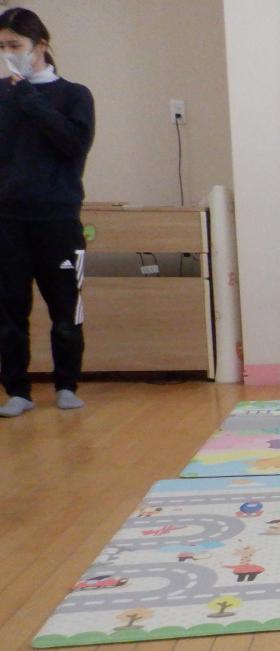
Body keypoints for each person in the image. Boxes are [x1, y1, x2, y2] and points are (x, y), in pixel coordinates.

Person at [0, 8, 95, 417]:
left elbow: (73, 145)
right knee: (9, 311)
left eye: (15, 45)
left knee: (65, 308)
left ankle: (66, 385)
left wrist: (29, 99)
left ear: (40, 45)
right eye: (2, 46)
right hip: (8, 219)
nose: (9, 53)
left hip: (58, 217)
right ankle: (17, 390)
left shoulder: (74, 95)